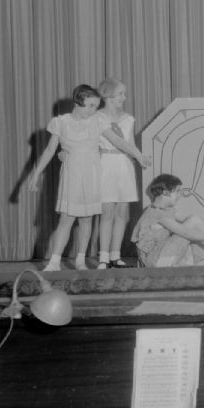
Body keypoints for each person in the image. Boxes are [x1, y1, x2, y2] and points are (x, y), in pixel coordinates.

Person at [29, 84, 150, 272]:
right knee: (66, 220)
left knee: (86, 220)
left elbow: (119, 141)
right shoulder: (61, 122)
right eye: (91, 106)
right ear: (79, 101)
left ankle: (80, 260)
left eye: (96, 106)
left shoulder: (98, 122)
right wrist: (35, 175)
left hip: (92, 175)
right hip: (71, 176)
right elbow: (49, 151)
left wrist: (138, 155)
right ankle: (54, 262)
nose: (95, 110)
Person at [131, 174, 204, 267]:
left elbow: (191, 222)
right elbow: (185, 232)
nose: (180, 195)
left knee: (194, 219)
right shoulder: (156, 213)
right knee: (191, 227)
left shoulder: (166, 210)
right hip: (155, 261)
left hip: (162, 256)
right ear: (165, 192)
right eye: (177, 191)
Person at [96, 78, 143, 269]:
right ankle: (103, 257)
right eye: (120, 94)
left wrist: (136, 158)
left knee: (122, 212)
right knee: (107, 212)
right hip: (105, 164)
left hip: (124, 164)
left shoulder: (128, 119)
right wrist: (139, 156)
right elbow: (116, 141)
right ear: (108, 96)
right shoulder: (97, 118)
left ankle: (116, 255)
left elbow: (129, 143)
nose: (124, 98)